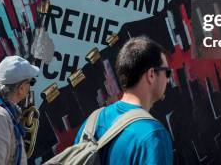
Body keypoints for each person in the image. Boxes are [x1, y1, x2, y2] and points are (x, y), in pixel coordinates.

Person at [74, 36, 174, 165]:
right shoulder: (152, 135)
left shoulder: (91, 124)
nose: (168, 79)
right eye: (167, 72)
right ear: (151, 75)